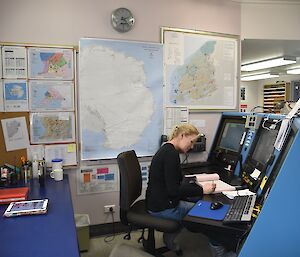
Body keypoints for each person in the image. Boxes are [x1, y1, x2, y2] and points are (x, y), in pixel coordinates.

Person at [145, 124, 216, 253]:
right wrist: (202, 190)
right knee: (209, 217)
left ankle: (170, 240)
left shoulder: (167, 150)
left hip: (156, 202)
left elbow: (174, 183)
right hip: (163, 208)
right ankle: (221, 251)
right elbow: (174, 190)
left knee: (195, 202)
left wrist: (194, 187)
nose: (192, 146)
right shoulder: (170, 155)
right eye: (191, 142)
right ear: (182, 135)